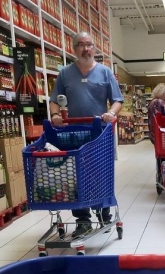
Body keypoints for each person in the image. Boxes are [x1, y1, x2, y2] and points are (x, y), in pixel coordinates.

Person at [49, 32, 123, 237]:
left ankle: (103, 211)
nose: (85, 49)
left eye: (89, 44)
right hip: (72, 133)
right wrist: (55, 114)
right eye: (80, 45)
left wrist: (111, 113)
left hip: (98, 133)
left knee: (100, 172)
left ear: (95, 48)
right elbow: (54, 99)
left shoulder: (105, 72)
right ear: (74, 49)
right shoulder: (65, 73)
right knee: (75, 176)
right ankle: (82, 219)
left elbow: (117, 100)